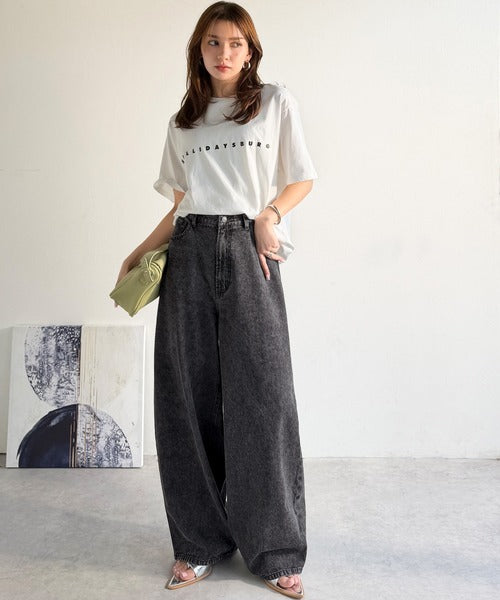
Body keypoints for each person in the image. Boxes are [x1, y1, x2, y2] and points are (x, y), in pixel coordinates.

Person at [114, 2, 318, 597]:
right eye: (212, 42)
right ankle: (198, 543)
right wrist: (139, 251)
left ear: (250, 52)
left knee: (264, 397)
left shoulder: (274, 103)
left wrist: (269, 215)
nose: (223, 53)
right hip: (189, 254)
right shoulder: (184, 122)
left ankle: (274, 549)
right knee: (186, 400)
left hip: (251, 253)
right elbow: (182, 203)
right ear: (197, 50)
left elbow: (303, 176)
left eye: (235, 43)